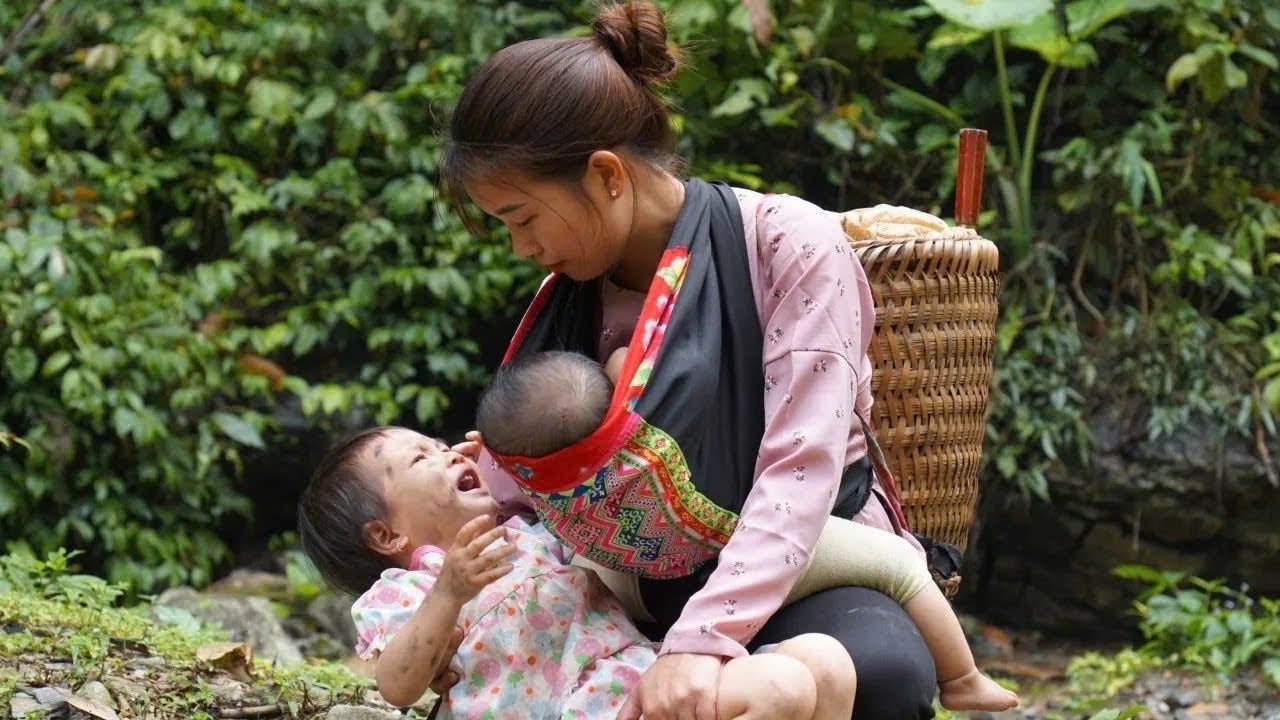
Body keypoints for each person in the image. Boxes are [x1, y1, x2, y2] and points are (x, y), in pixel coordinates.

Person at [438, 2, 951, 717]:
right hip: (637, 576)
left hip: (808, 560)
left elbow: (800, 470)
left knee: (888, 676)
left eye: (520, 218)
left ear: (607, 176)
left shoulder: (786, 245)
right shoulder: (575, 291)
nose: (520, 248)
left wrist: (701, 640)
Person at [474, 350, 1016, 712]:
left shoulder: (551, 488)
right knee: (896, 565)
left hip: (628, 578)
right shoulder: (639, 437)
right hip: (736, 541)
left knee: (579, 579)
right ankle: (962, 676)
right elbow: (624, 362)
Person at [296, 426, 857, 719]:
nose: (449, 455)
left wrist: (507, 465)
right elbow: (397, 685)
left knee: (827, 666)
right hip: (577, 709)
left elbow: (585, 504)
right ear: (387, 536)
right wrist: (448, 593)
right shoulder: (404, 592)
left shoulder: (528, 535)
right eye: (422, 459)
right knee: (781, 689)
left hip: (639, 682)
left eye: (444, 446)